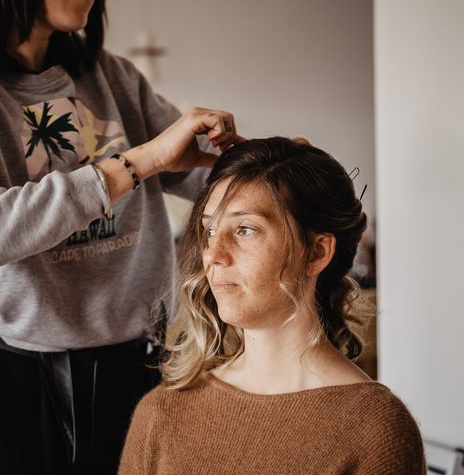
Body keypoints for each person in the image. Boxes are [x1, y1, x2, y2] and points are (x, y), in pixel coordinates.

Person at [0, 0, 242, 474]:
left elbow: (204, 175)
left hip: (138, 371)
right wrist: (139, 162)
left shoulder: (112, 76)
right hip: (10, 382)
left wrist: (272, 166)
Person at [119, 137, 426, 474]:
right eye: (209, 230)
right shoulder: (162, 413)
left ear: (318, 252)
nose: (214, 255)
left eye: (245, 229)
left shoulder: (375, 431)